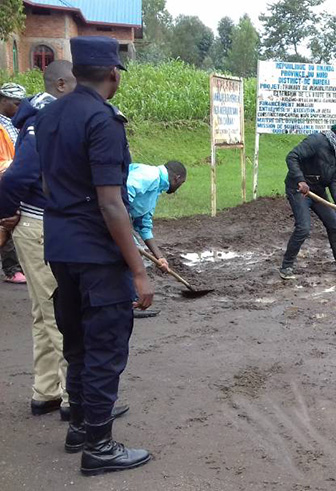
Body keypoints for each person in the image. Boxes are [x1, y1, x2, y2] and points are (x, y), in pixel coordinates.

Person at [36, 36, 152, 475]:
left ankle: (81, 426)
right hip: (97, 252)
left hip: (59, 245)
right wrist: (139, 272)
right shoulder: (103, 121)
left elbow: (46, 185)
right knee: (105, 342)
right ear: (112, 74)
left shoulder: (50, 114)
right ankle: (99, 446)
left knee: (77, 338)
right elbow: (110, 203)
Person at [0, 61, 77, 420]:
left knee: (42, 312)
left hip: (32, 224)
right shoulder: (43, 119)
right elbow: (18, 176)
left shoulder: (40, 115)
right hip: (38, 224)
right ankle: (72, 397)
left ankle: (46, 391)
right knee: (59, 312)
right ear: (61, 84)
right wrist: (5, 214)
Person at [281, 122, 336, 279]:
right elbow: (292, 156)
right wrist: (300, 180)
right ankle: (286, 266)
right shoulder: (316, 141)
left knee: (334, 224)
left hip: (317, 191)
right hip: (299, 190)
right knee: (303, 227)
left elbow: (334, 180)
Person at [127, 161, 186, 270]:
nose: (179, 187)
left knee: (134, 256)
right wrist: (130, 240)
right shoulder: (149, 175)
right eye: (181, 183)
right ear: (176, 178)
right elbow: (120, 199)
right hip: (100, 216)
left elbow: (143, 224)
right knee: (131, 256)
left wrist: (160, 257)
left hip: (116, 220)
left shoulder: (155, 191)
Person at [0, 82, 27, 284]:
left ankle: (14, 267)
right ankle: (11, 269)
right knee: (6, 221)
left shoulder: (17, 122)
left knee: (10, 221)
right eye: (16, 103)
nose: (19, 108)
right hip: (5, 175)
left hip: (13, 176)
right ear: (3, 101)